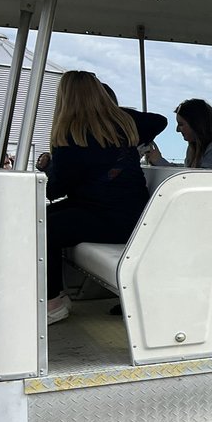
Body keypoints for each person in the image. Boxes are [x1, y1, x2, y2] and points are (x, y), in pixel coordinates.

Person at [40, 71, 150, 324]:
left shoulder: (71, 138)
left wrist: (47, 168)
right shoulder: (122, 128)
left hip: (111, 219)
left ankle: (53, 301)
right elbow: (158, 120)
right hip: (131, 215)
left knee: (42, 229)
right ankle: (56, 294)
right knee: (43, 220)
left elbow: (54, 190)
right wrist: (113, 112)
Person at [147, 99, 212, 169]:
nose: (177, 130)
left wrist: (159, 161)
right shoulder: (195, 146)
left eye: (181, 124)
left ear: (196, 124)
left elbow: (197, 181)